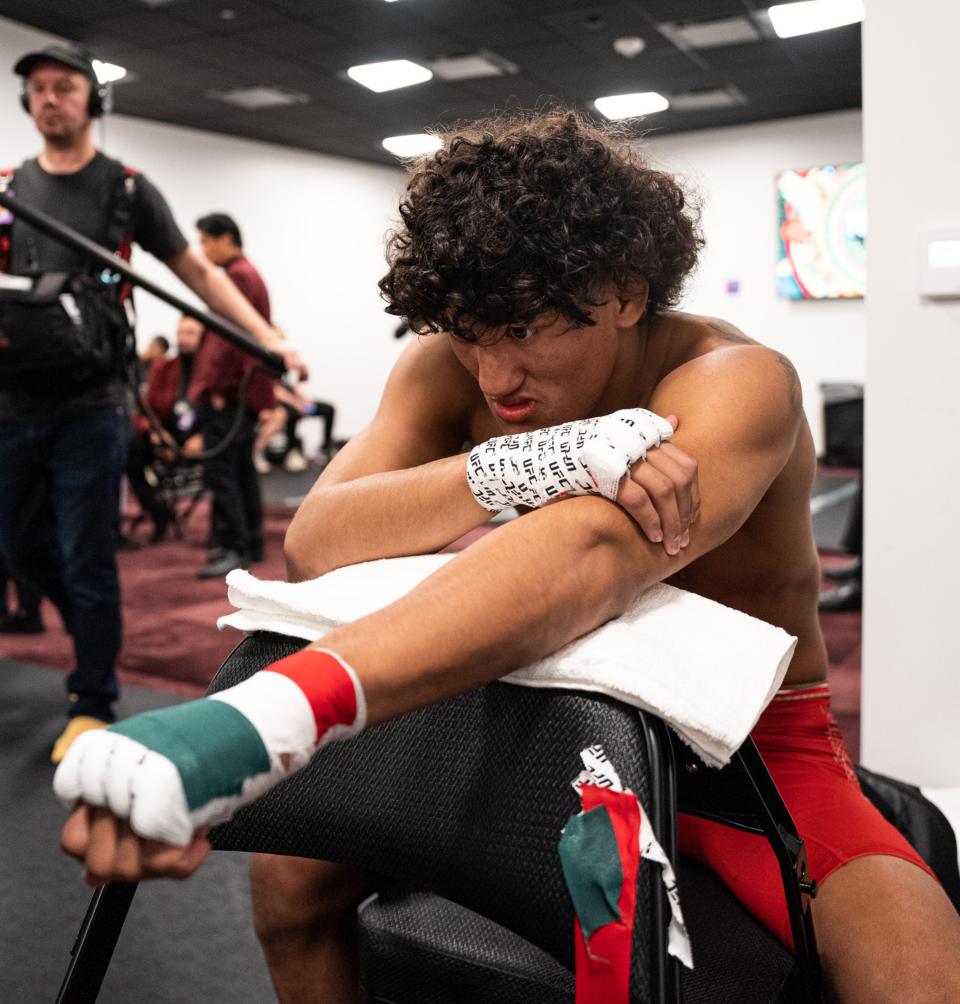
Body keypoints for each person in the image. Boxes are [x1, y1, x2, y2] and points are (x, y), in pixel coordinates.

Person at [57, 111, 960, 1003]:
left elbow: (597, 551)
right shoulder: (445, 369)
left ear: (624, 294)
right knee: (289, 882)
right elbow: (315, 539)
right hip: (550, 707)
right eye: (467, 329)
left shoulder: (737, 380)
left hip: (748, 751)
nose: (495, 377)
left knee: (919, 978)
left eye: (523, 331)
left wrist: (251, 723)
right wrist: (526, 462)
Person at [0, 44, 299, 764]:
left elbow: (196, 271)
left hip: (93, 402)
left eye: (65, 86)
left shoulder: (126, 190)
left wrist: (265, 337)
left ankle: (92, 698)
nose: (50, 98)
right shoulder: (8, 189)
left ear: (92, 99)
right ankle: (87, 633)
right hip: (11, 401)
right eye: (38, 88)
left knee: (88, 556)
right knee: (16, 545)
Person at [190, 212, 278, 578]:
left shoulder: (237, 276)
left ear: (226, 238)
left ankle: (234, 547)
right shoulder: (247, 273)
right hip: (243, 391)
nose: (203, 250)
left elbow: (227, 339)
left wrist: (215, 386)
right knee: (241, 470)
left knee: (222, 471)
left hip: (229, 393)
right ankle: (250, 542)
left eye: (206, 241)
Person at [125, 315, 205, 543]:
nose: (183, 338)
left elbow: (218, 414)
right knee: (129, 447)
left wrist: (202, 437)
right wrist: (157, 435)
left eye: (190, 333)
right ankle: (157, 510)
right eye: (180, 332)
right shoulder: (165, 367)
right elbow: (147, 409)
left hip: (199, 442)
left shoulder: (210, 372)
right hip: (163, 436)